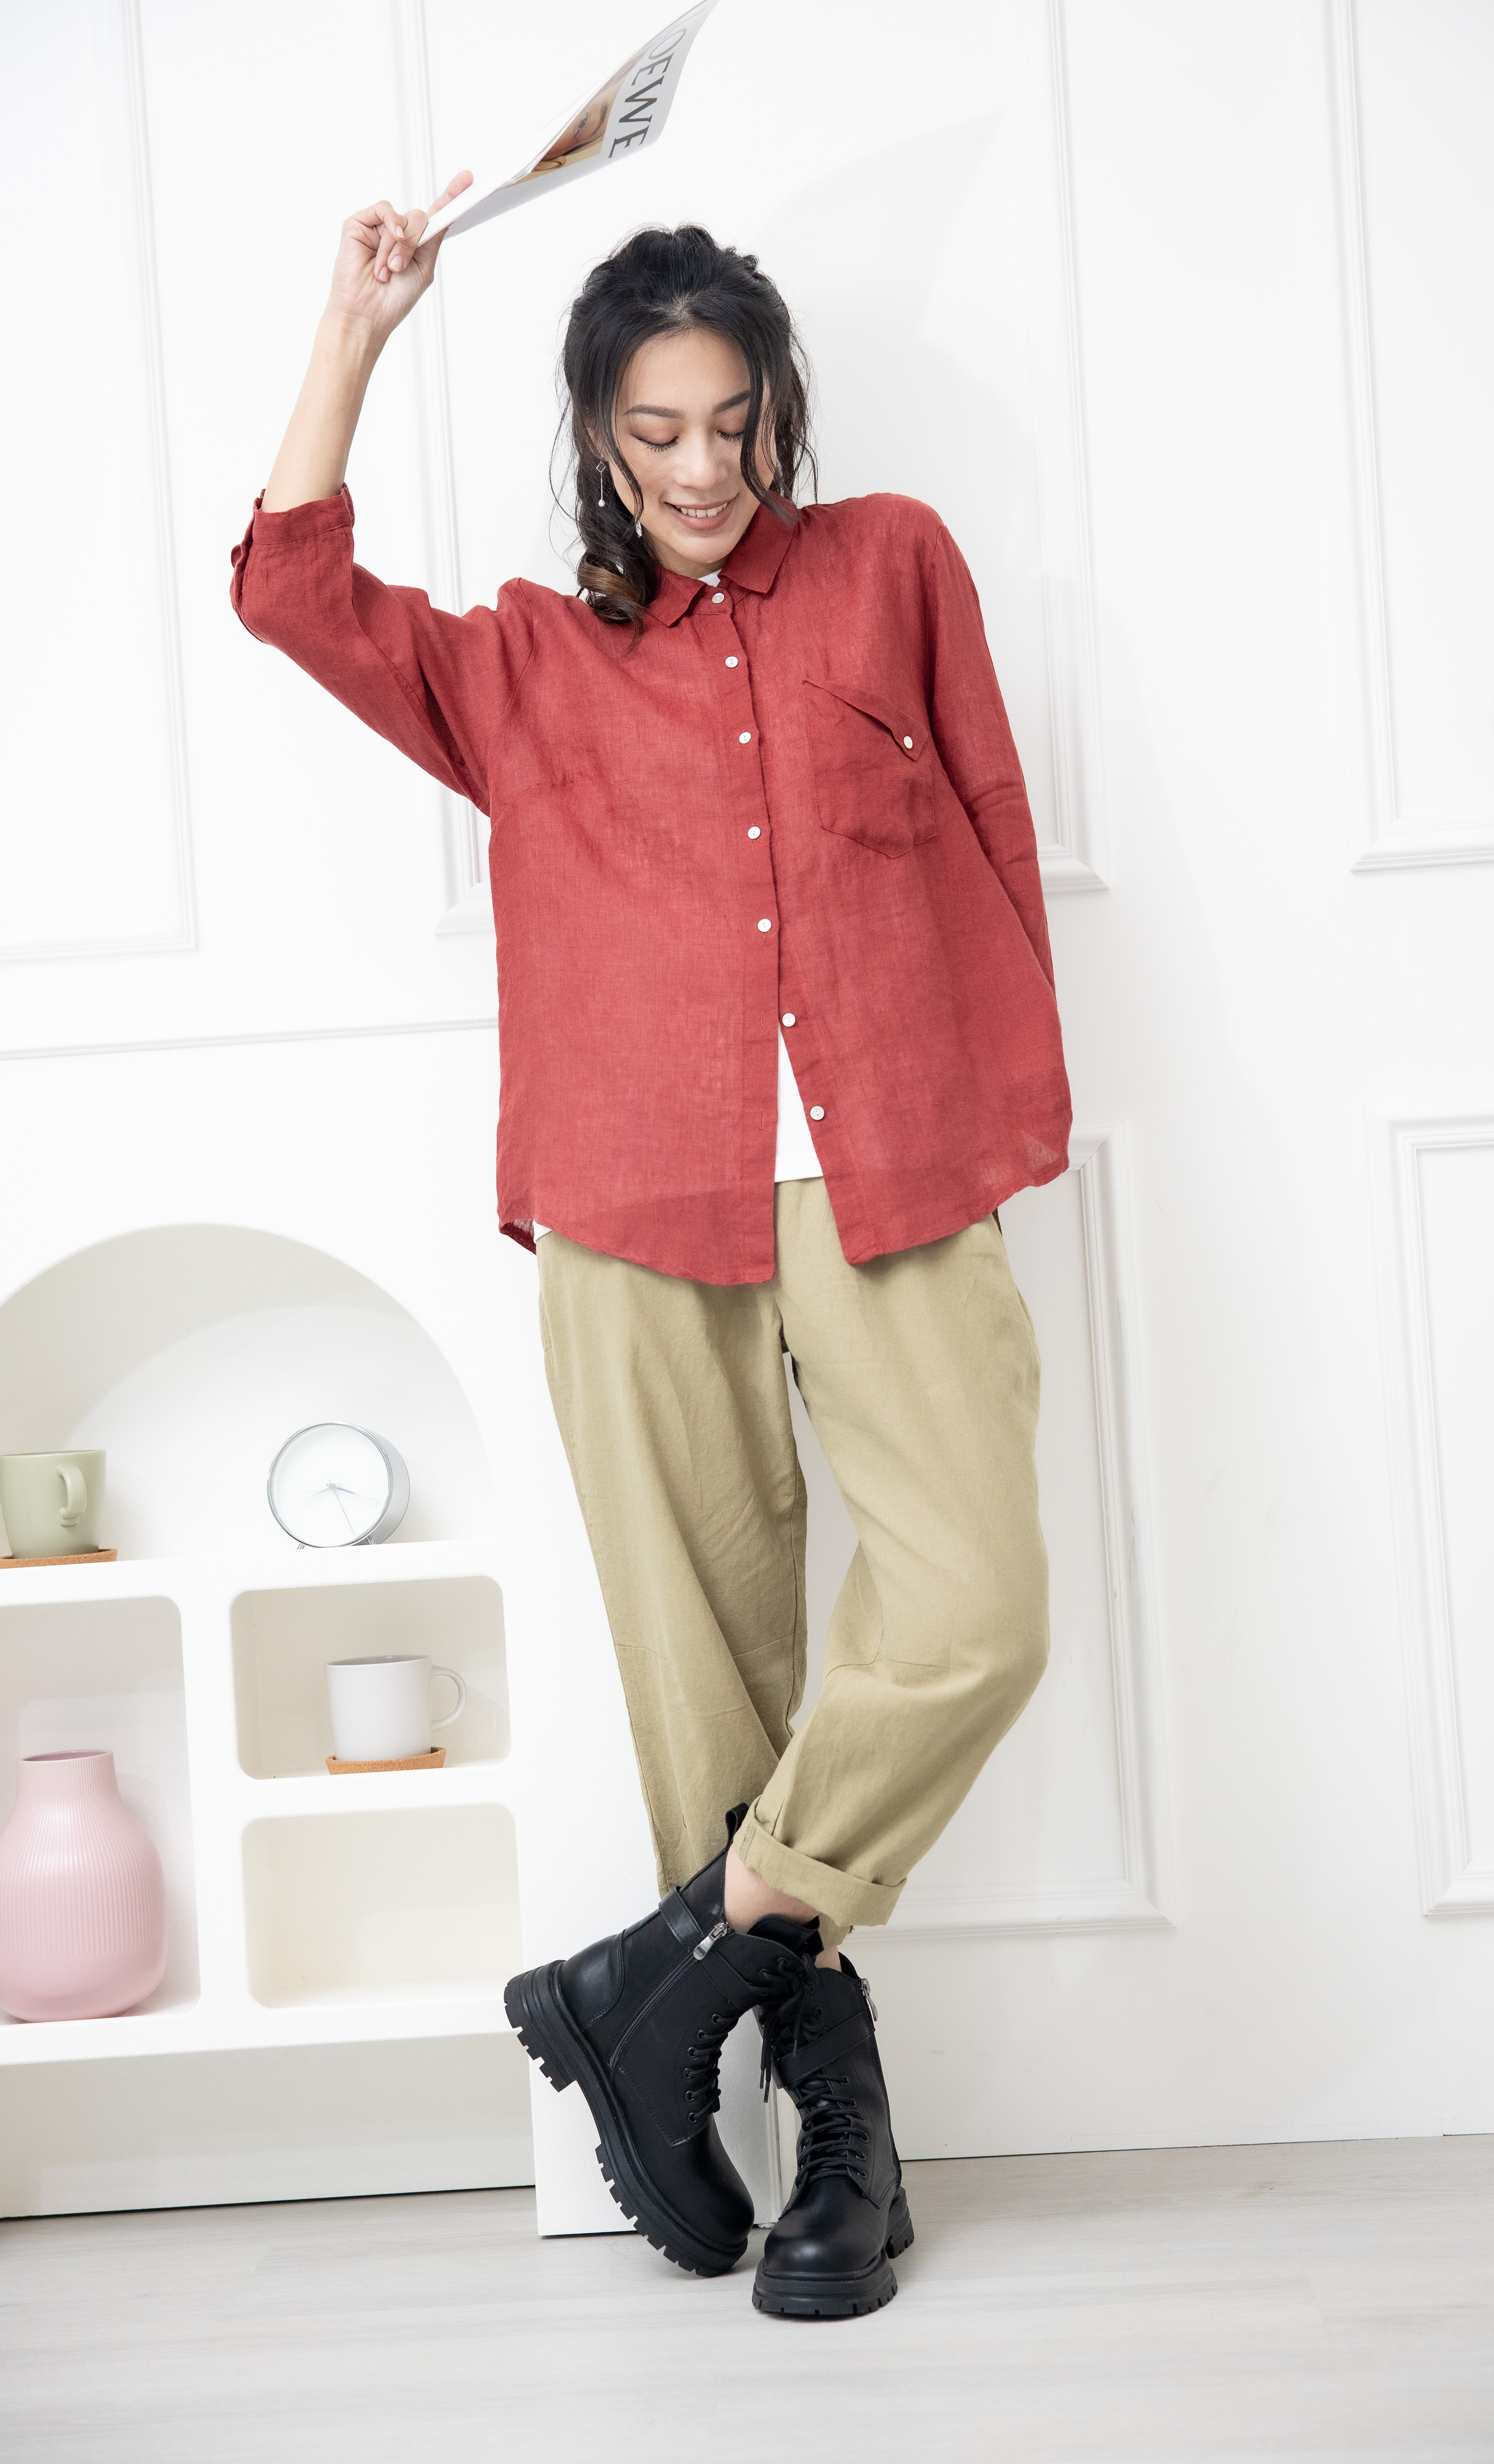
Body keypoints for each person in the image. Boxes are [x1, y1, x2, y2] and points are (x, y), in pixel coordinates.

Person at [232, 179, 1072, 2322]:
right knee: (720, 1695)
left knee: (977, 1610)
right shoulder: (525, 662)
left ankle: (655, 1981)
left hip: (891, 1174)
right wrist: (357, 325)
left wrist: (1000, 1111)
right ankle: (837, 2142)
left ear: (781, 406)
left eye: (734, 422)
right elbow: (289, 591)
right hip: (630, 1210)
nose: (704, 471)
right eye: (655, 434)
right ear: (599, 442)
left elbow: (992, 824)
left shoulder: (895, 562)